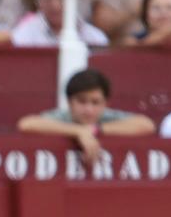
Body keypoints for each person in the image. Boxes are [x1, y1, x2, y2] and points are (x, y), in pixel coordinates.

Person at [15, 67, 155, 163]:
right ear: (70, 102)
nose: (89, 109)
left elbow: (147, 125)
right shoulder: (64, 116)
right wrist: (79, 131)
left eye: (95, 102)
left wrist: (95, 130)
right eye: (82, 101)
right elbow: (26, 124)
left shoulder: (107, 116)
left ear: (105, 103)